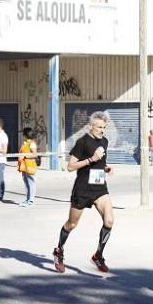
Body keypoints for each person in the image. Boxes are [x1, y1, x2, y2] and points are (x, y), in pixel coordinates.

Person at [53, 112, 115, 274]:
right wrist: (91, 160)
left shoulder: (105, 141)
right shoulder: (82, 142)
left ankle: (98, 255)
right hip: (82, 188)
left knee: (109, 221)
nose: (102, 130)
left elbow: (101, 162)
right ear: (90, 126)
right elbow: (70, 166)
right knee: (71, 224)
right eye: (99, 127)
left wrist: (105, 167)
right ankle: (59, 251)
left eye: (104, 127)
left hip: (99, 186)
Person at [17, 127, 38, 207]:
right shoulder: (25, 143)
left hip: (30, 166)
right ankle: (27, 199)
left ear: (26, 134)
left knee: (31, 183)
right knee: (26, 183)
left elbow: (34, 155)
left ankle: (31, 201)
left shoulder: (32, 143)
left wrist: (25, 156)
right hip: (24, 166)